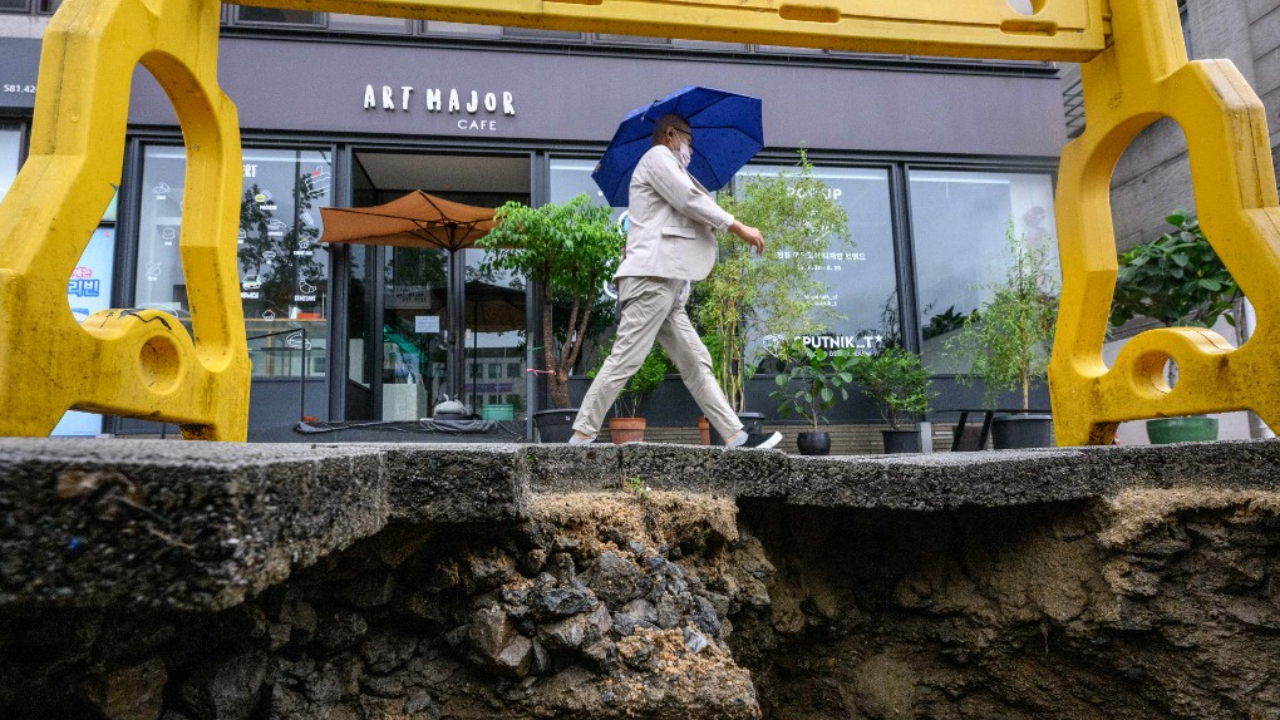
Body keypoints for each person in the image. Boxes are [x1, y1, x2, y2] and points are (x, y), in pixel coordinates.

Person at [570, 113, 782, 449]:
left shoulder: (667, 166)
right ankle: (581, 435)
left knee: (696, 360)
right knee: (627, 358)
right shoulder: (657, 158)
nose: (691, 150)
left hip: (666, 283)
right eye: (689, 140)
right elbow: (688, 198)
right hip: (651, 279)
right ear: (671, 134)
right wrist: (738, 227)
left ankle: (735, 435)